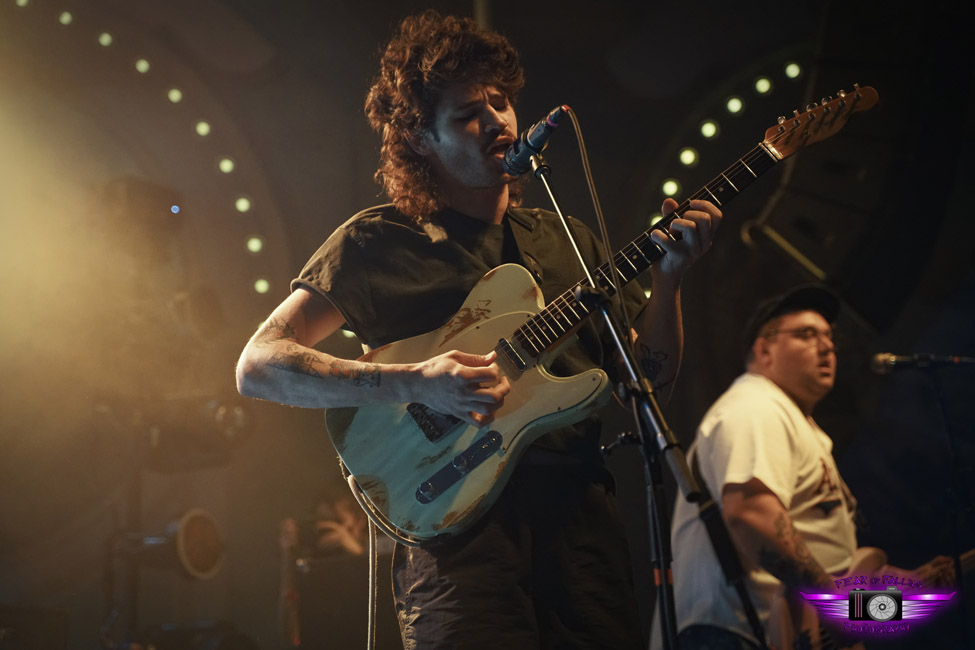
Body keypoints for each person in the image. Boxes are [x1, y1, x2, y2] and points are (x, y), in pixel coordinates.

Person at [237, 11, 722, 649]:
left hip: (580, 524)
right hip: (455, 535)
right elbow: (259, 365)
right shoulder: (376, 241)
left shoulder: (567, 241)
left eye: (502, 102)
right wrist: (417, 382)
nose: (497, 120)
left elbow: (651, 376)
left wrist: (671, 281)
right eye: (469, 112)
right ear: (421, 139)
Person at [658, 285, 955, 650]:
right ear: (763, 349)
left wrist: (905, 596)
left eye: (829, 337)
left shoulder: (802, 428)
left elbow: (837, 575)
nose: (827, 346)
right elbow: (750, 512)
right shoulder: (757, 405)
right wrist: (841, 607)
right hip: (733, 632)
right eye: (806, 335)